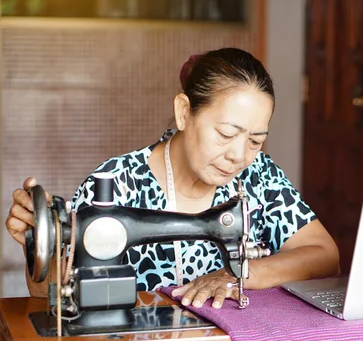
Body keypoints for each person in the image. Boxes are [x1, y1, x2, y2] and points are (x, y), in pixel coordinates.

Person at [5, 47, 340, 309]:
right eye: (226, 133)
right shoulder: (116, 183)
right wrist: (41, 246)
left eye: (255, 140)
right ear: (184, 113)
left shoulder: (259, 176)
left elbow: (325, 255)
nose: (239, 155)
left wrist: (240, 275)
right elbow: (48, 295)